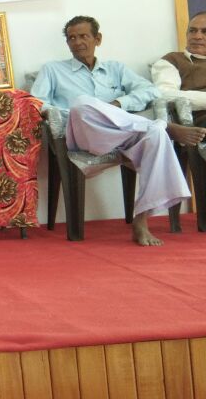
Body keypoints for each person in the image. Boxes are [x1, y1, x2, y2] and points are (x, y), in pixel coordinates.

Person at [30, 15, 202, 246]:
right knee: (82, 103)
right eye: (72, 38)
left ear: (97, 39)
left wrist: (118, 104)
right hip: (85, 133)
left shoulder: (116, 69)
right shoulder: (52, 70)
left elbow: (150, 91)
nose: (77, 42)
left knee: (157, 136)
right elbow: (36, 103)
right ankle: (160, 125)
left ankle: (141, 221)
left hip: (122, 134)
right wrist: (75, 112)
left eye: (83, 36)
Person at [152, 10, 206, 126]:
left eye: (204, 32)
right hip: (197, 125)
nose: (197, 36)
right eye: (192, 31)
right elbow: (165, 94)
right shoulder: (172, 60)